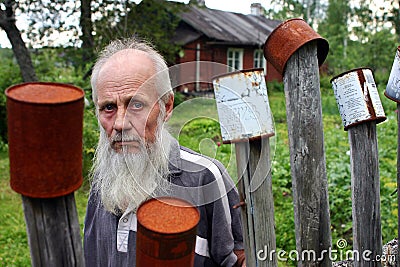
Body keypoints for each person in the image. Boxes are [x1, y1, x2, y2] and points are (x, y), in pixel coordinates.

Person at [83, 37, 246, 267]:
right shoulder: (102, 179)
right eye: (108, 107)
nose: (120, 123)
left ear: (166, 107)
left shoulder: (206, 178)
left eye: (136, 105)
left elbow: (240, 259)